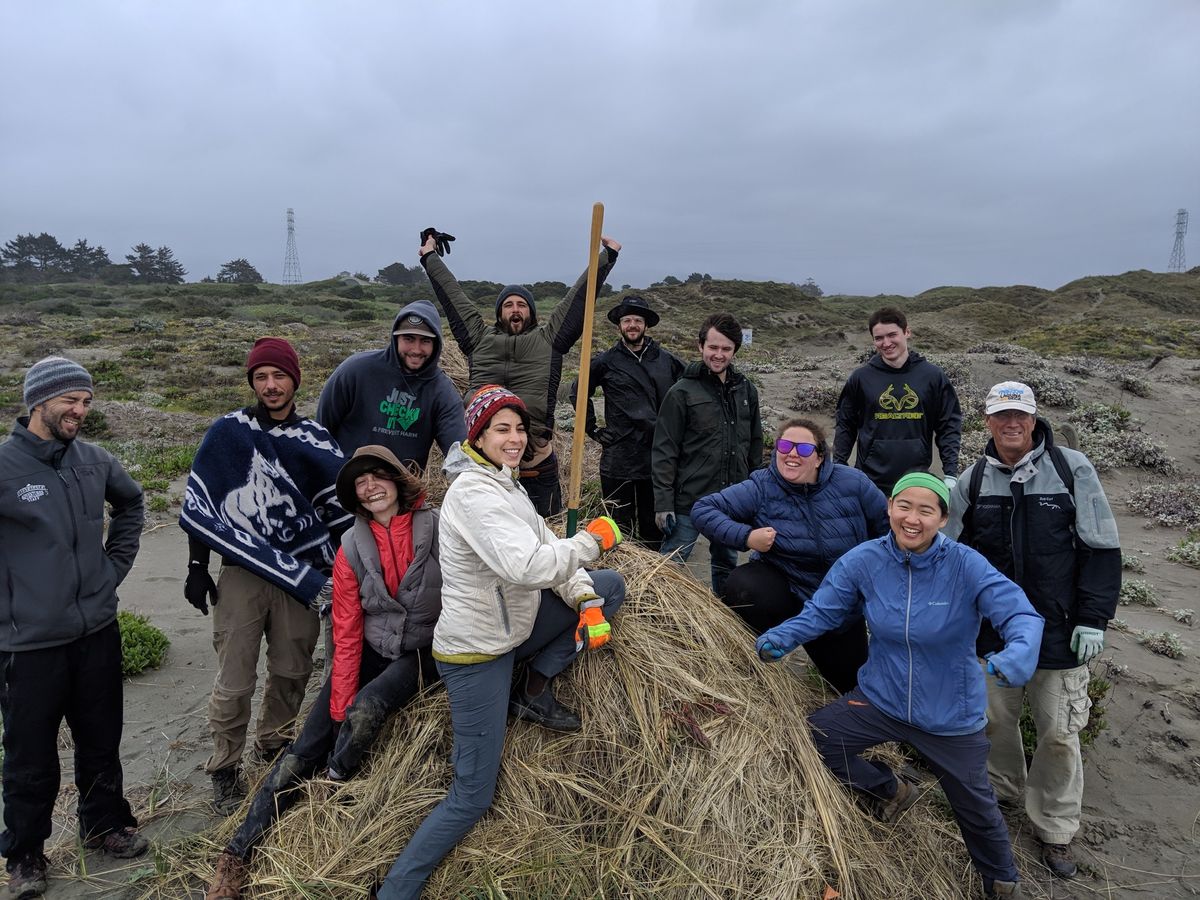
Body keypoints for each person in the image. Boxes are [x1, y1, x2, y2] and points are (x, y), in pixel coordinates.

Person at [374, 385, 626, 899]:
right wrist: (594, 541)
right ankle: (395, 890)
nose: (514, 440)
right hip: (476, 654)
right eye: (501, 430)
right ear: (478, 436)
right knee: (472, 795)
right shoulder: (472, 494)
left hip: (514, 627)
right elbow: (527, 565)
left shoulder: (508, 485)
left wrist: (585, 601)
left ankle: (531, 686)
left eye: (519, 429)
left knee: (609, 586)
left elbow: (549, 548)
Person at [757, 473, 1043, 900]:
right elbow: (823, 610)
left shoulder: (966, 565)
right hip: (881, 698)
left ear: (943, 519)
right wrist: (784, 635)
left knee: (977, 811)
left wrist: (1020, 652)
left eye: (926, 510)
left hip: (949, 715)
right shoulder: (864, 560)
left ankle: (1002, 883)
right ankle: (889, 789)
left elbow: (1021, 615)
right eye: (904, 506)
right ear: (889, 508)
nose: (912, 518)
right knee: (813, 739)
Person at [205, 445, 442, 900]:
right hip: (376, 645)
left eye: (378, 476)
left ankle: (334, 786)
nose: (370, 486)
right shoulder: (351, 545)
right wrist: (336, 703)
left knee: (367, 709)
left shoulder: (437, 526)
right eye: (360, 482)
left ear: (397, 480)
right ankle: (235, 856)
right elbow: (349, 627)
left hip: (423, 650)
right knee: (305, 745)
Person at [945, 381, 1121, 880]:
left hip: (1059, 631)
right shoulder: (972, 480)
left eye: (1019, 415)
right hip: (994, 634)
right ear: (988, 421)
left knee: (1060, 733)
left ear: (1033, 416)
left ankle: (1056, 828)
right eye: (1001, 416)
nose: (1011, 424)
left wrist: (1093, 618)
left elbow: (1101, 548)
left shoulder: (1072, 468)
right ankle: (1002, 799)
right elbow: (950, 552)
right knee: (996, 724)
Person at [180, 338, 353, 815]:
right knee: (234, 679)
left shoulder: (316, 438)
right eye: (261, 377)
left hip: (303, 579)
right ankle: (225, 767)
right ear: (252, 382)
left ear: (295, 379)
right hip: (242, 573)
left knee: (292, 672)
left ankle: (274, 746)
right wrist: (197, 566)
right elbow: (204, 507)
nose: (271, 385)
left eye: (279, 376)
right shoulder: (229, 434)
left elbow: (339, 511)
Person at [0, 357, 149, 898]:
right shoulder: (6, 466)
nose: (80, 412)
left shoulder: (94, 459)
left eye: (86, 402)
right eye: (70, 401)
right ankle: (25, 855)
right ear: (38, 401)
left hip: (96, 631)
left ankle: (105, 824)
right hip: (29, 642)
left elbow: (132, 503)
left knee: (100, 740)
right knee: (29, 754)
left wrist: (112, 570)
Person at [420, 228, 621, 515]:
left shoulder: (550, 340)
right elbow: (454, 297)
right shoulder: (478, 339)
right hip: (484, 475)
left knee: (546, 543)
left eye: (522, 305)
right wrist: (429, 256)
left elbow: (578, 298)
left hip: (535, 471)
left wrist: (607, 256)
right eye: (508, 305)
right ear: (499, 312)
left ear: (532, 312)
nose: (515, 310)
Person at [692, 418, 887, 693]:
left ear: (819, 457)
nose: (792, 454)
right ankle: (757, 665)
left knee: (851, 687)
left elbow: (887, 528)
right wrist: (747, 537)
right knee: (742, 586)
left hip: (838, 602)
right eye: (785, 446)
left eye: (803, 449)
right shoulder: (762, 486)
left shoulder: (853, 483)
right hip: (787, 588)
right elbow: (704, 510)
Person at [651, 311, 762, 594]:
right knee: (669, 567)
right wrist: (663, 502)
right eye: (713, 347)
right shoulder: (681, 393)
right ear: (700, 346)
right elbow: (665, 450)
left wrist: (755, 493)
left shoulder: (746, 390)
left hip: (731, 502)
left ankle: (723, 623)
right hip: (688, 501)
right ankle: (654, 619)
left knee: (727, 565)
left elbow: (755, 444)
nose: (719, 354)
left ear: (735, 350)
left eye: (726, 348)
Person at [572, 294, 683, 550]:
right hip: (618, 455)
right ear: (620, 325)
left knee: (653, 525)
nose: (632, 325)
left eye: (637, 320)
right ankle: (622, 571)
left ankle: (654, 576)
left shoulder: (667, 361)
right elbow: (578, 391)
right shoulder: (606, 361)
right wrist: (592, 428)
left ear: (646, 325)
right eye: (627, 320)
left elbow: (691, 389)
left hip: (656, 454)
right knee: (618, 524)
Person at [317, 299, 466, 470]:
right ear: (395, 338)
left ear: (436, 343)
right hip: (347, 482)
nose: (416, 349)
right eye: (408, 339)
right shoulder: (355, 371)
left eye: (425, 341)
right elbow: (322, 431)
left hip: (402, 489)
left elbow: (458, 452)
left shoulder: (442, 391)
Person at [833, 307, 962, 496]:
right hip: (869, 481)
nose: (886, 343)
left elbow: (948, 424)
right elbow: (846, 424)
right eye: (879, 338)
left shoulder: (933, 376)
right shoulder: (861, 378)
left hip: (916, 480)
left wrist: (950, 472)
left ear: (906, 332)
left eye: (892, 335)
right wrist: (838, 466)